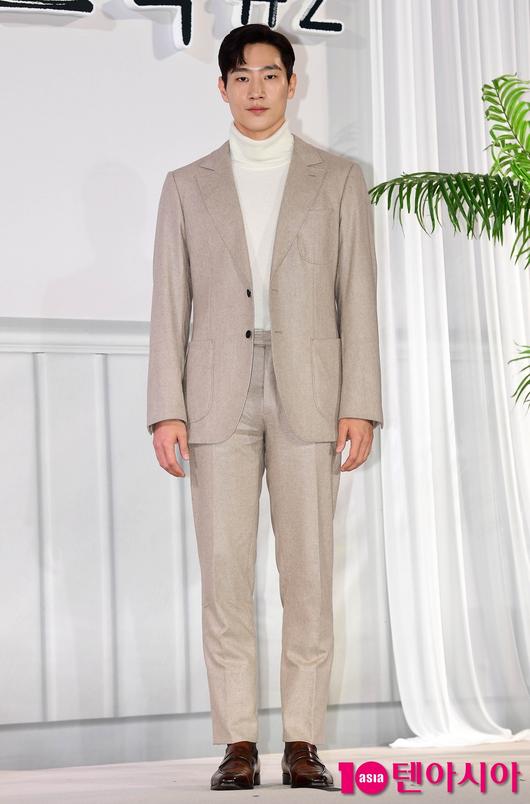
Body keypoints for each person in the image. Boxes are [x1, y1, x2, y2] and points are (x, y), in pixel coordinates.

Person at [146, 22, 383, 791]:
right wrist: (166, 408)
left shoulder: (337, 179)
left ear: (291, 83)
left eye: (270, 75)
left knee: (307, 572)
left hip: (311, 387)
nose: (257, 89)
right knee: (224, 572)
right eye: (242, 76)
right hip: (217, 393)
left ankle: (304, 741)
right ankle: (239, 742)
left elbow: (358, 296)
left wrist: (360, 403)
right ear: (222, 88)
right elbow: (169, 304)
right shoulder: (187, 185)